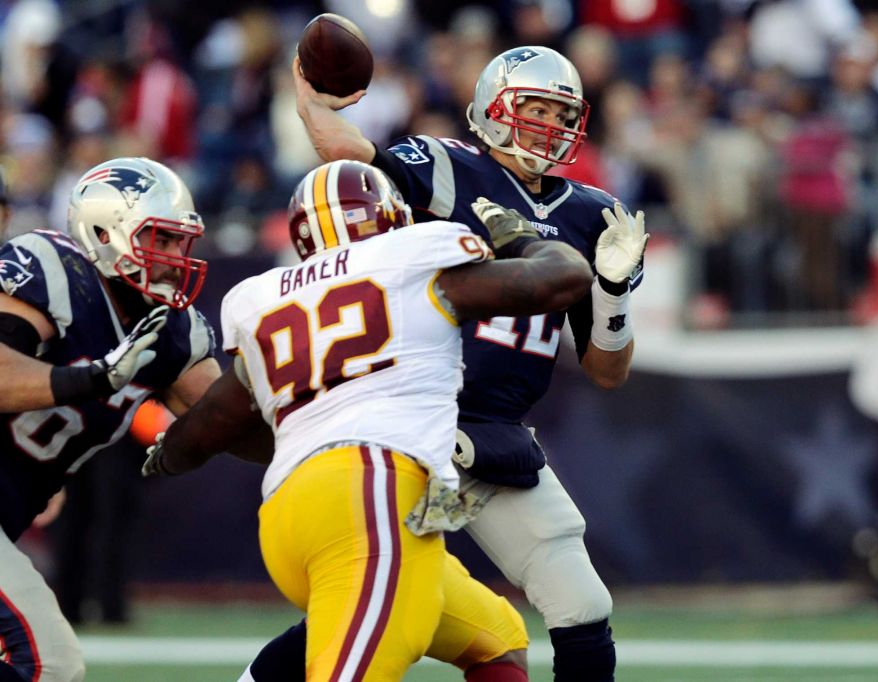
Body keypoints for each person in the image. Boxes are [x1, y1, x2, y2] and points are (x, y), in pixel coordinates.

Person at [265, 45, 648, 682]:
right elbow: (348, 154)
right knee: (379, 597)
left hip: (490, 442)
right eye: (536, 108)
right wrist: (312, 101)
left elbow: (607, 370)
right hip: (415, 427)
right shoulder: (447, 167)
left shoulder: (592, 214)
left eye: (563, 112)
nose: (551, 125)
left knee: (580, 602)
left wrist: (610, 292)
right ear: (494, 110)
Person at [142, 158, 595, 681]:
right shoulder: (411, 258)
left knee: (496, 638)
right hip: (372, 498)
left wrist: (168, 454)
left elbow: (210, 427)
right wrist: (519, 240)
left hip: (289, 515)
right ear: (391, 216)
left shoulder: (267, 296)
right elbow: (563, 278)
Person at [0, 157, 220, 682]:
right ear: (103, 233)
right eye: (160, 240)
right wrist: (94, 380)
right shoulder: (54, 269)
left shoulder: (171, 330)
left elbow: (227, 418)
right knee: (48, 664)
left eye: (178, 242)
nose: (172, 259)